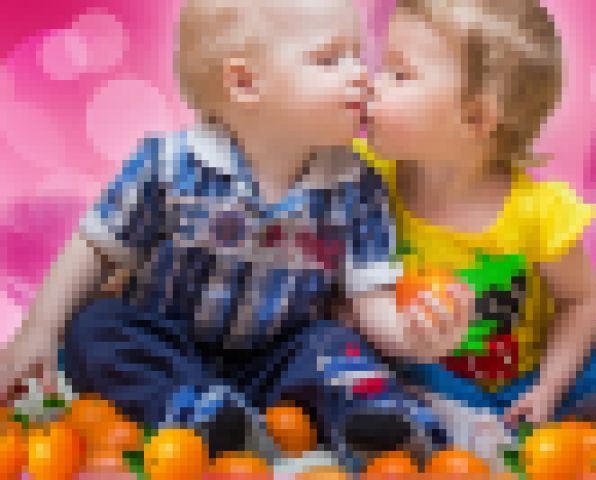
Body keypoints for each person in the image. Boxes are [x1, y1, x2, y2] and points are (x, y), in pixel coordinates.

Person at [0, 0, 448, 464]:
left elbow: (371, 300)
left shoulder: (358, 186)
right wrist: (39, 330)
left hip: (282, 358)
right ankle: (201, 417)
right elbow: (97, 246)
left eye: (359, 56)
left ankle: (379, 425)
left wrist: (413, 337)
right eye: (330, 58)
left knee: (335, 344)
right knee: (97, 327)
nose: (361, 75)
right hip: (168, 343)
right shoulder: (168, 165)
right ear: (245, 82)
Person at [354, 0, 596, 472]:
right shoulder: (363, 178)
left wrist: (549, 387)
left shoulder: (540, 211)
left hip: (553, 373)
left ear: (475, 118)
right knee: (449, 435)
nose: (371, 83)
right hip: (434, 383)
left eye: (398, 73)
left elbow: (579, 302)